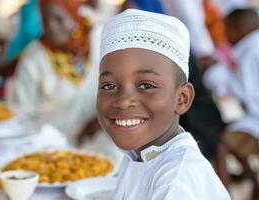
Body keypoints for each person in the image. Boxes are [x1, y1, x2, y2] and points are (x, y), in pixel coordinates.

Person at [96, 9, 230, 199]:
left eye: (146, 85)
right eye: (109, 85)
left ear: (181, 98)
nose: (124, 101)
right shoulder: (139, 155)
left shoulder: (176, 181)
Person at [8, 0, 98, 142]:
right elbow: (19, 114)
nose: (51, 26)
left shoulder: (96, 41)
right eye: (45, 20)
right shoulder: (34, 56)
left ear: (74, 17)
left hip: (94, 137)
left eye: (59, 19)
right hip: (46, 144)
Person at [203, 8, 259, 198]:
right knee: (229, 138)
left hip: (256, 119)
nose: (226, 37)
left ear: (238, 30)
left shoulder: (250, 51)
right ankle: (254, 184)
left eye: (227, 31)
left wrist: (216, 75)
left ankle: (223, 194)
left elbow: (249, 93)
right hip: (254, 118)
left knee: (223, 144)